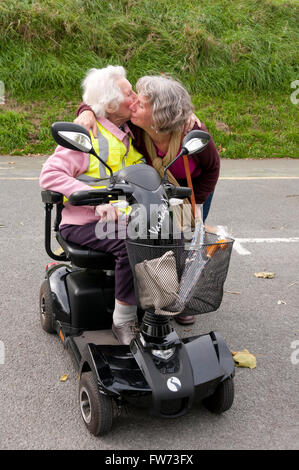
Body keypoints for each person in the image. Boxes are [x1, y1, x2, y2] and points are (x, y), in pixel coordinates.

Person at [75, 74, 220, 325]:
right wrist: (85, 110)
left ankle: (180, 299)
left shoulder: (191, 131)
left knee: (185, 240)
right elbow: (102, 101)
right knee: (156, 236)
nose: (133, 105)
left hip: (190, 191)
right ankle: (152, 290)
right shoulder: (136, 131)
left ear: (160, 115)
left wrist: (196, 206)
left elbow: (212, 169)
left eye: (140, 105)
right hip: (153, 191)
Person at [40, 65, 145, 345]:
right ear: (110, 104)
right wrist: (94, 200)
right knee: (130, 240)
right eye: (128, 92)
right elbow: (49, 175)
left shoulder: (126, 135)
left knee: (167, 231)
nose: (135, 96)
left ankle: (159, 307)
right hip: (84, 223)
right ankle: (123, 321)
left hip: (122, 219)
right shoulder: (86, 134)